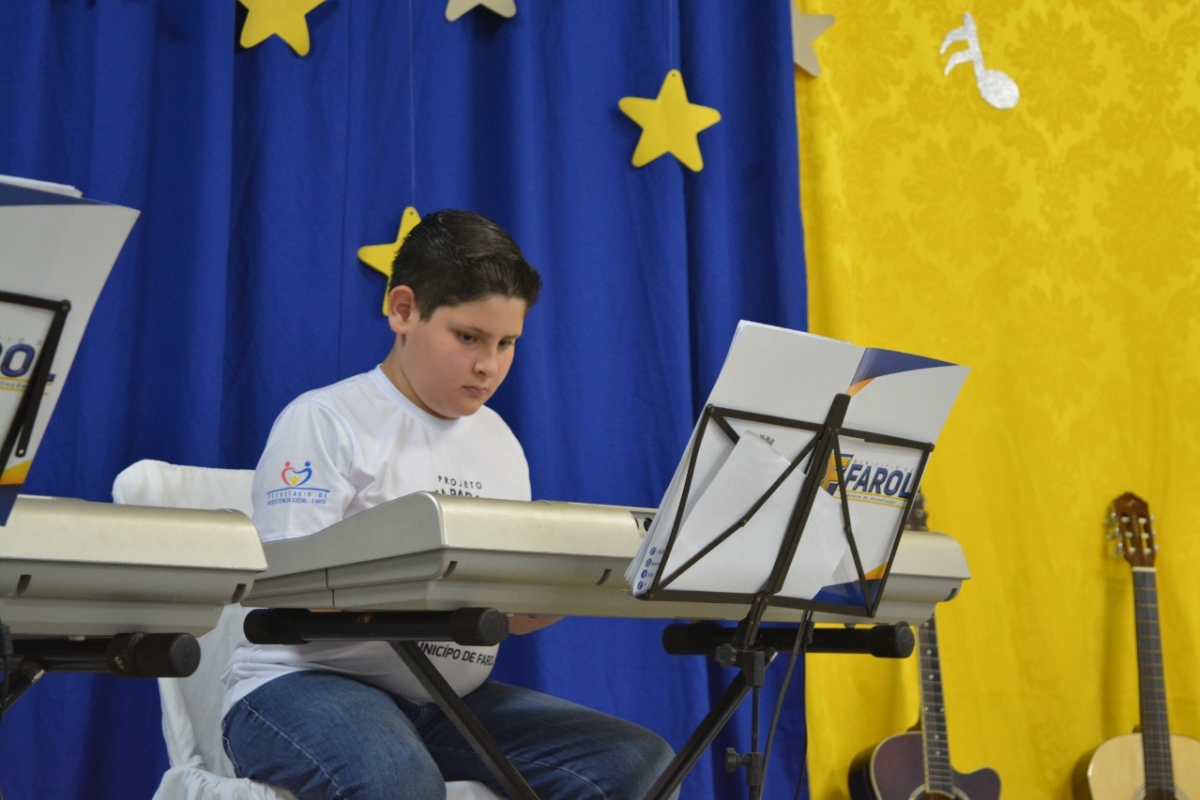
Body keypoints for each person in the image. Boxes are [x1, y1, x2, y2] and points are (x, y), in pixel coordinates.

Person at [221, 209, 676, 799]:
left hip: (446, 702)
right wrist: (448, 584)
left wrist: (582, 582)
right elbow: (287, 587)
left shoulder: (500, 442)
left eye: (507, 343)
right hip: (303, 684)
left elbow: (511, 612)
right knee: (398, 782)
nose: (489, 365)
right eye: (468, 338)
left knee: (640, 763)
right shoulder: (324, 420)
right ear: (403, 310)